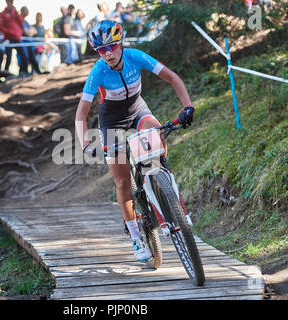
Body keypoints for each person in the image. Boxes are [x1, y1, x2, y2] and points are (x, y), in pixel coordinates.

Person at [75, 20, 195, 262]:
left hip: (137, 110)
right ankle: (136, 237)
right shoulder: (98, 71)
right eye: (100, 50)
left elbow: (172, 77)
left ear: (120, 44)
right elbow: (81, 114)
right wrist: (86, 145)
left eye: (111, 47)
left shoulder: (135, 56)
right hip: (111, 121)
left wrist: (188, 106)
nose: (107, 54)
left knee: (157, 139)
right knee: (122, 183)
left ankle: (166, 191)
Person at [0, 0, 28, 74]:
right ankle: (5, 73)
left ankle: (24, 72)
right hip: (8, 38)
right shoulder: (2, 14)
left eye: (11, 2)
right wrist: (9, 32)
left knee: (24, 55)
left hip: (17, 38)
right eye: (9, 2)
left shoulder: (15, 13)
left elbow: (21, 22)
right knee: (8, 57)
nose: (10, 3)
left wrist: (17, 13)